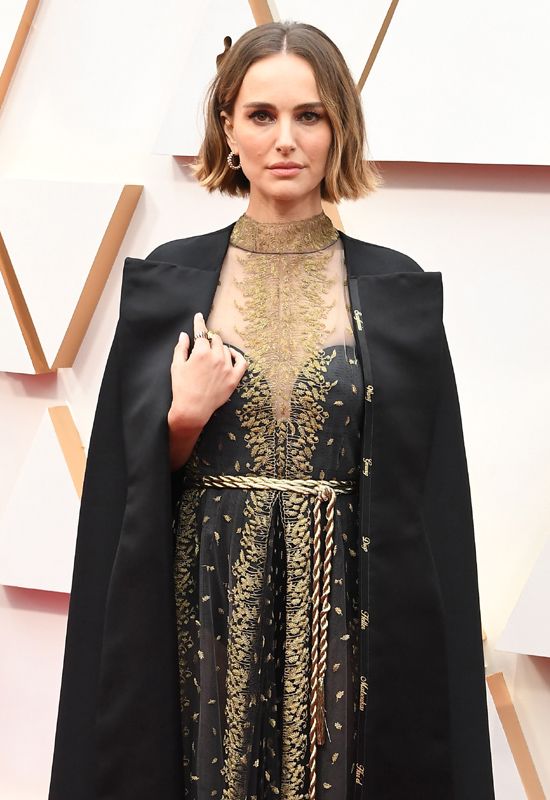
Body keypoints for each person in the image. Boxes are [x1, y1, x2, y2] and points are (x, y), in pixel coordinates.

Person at [48, 21, 495, 800]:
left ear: (338, 128)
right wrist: (182, 419)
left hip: (345, 610)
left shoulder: (395, 294)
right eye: (261, 115)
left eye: (308, 115)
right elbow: (125, 495)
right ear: (228, 128)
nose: (285, 140)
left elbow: (430, 508)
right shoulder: (169, 282)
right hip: (209, 605)